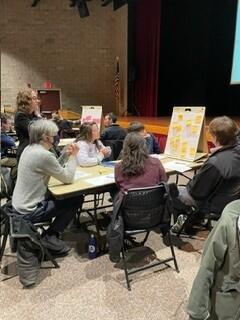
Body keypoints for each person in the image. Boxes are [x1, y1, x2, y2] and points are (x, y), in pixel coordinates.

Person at [12, 119, 83, 254]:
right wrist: (74, 157)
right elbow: (68, 178)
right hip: (30, 210)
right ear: (45, 137)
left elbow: (53, 166)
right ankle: (51, 235)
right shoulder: (43, 155)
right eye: (54, 134)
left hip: (19, 205)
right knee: (76, 198)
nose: (56, 137)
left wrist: (66, 155)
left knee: (64, 198)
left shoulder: (29, 148)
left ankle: (52, 234)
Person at [171, 116, 240, 233]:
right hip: (231, 200)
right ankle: (194, 218)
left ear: (216, 137)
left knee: (172, 190)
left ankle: (186, 224)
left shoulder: (215, 163)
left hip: (213, 204)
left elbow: (196, 192)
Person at [187, 199, 240, 320]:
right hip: (228, 305)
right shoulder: (229, 222)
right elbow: (207, 269)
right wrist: (197, 313)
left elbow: (197, 192)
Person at [14, 89, 42, 161]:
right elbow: (37, 132)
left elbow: (47, 130)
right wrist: (38, 115)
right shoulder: (20, 116)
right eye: (34, 98)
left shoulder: (33, 115)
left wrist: (37, 115)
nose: (37, 101)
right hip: (26, 153)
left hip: (36, 151)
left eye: (37, 98)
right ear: (26, 102)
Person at [1, 113, 18, 188]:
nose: (10, 126)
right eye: (9, 123)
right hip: (2, 158)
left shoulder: (3, 133)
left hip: (4, 155)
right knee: (17, 162)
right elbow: (11, 142)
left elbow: (10, 140)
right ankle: (13, 181)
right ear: (2, 124)